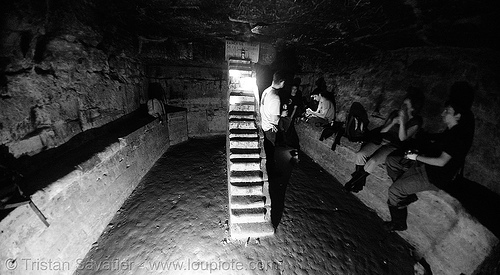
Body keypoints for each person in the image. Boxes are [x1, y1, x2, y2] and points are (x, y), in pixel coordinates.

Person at [383, 97, 474, 231]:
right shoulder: (450, 132)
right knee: (392, 161)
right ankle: (407, 194)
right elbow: (436, 141)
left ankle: (398, 223)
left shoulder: (457, 137)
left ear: (457, 115)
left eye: (447, 111)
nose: (443, 114)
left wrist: (416, 157)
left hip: (432, 176)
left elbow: (441, 161)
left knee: (394, 191)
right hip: (424, 167)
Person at [344, 90, 424, 193]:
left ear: (413, 108)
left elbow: (402, 138)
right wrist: (392, 123)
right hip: (382, 139)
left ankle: (352, 183)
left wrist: (403, 122)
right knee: (361, 154)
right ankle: (358, 183)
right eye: (403, 103)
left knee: (373, 161)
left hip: (395, 145)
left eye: (406, 105)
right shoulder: (395, 113)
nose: (402, 106)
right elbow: (382, 130)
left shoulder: (416, 121)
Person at [260, 71, 286, 174]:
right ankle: (270, 173)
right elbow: (275, 119)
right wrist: (282, 114)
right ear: (281, 82)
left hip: (264, 124)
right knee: (270, 153)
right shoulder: (275, 97)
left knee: (265, 150)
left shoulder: (266, 91)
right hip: (270, 129)